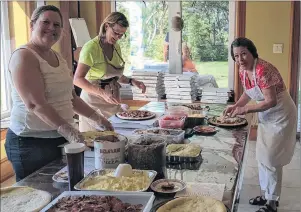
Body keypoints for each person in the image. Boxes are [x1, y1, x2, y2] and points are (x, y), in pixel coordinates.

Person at [5, 5, 113, 182]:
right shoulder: (24, 56)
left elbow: (72, 99)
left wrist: (98, 118)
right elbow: (35, 104)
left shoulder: (58, 58)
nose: (51, 28)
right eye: (45, 22)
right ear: (32, 24)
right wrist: (69, 130)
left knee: (59, 194)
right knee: (37, 194)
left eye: (57, 25)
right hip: (30, 142)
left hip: (58, 140)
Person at [224, 37, 297, 212]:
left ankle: (272, 203)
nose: (240, 59)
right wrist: (237, 105)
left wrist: (247, 110)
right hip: (266, 115)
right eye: (236, 55)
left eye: (244, 54)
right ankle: (266, 195)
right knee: (262, 156)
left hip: (281, 115)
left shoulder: (263, 70)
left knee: (272, 159)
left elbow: (271, 101)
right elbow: (248, 93)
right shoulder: (243, 70)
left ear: (252, 53)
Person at [73, 12, 146, 132]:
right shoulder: (91, 48)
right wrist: (102, 93)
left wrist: (132, 81)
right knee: (97, 143)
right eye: (116, 33)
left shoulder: (116, 47)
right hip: (93, 103)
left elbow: (115, 75)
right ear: (106, 26)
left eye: (122, 35)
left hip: (112, 101)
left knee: (117, 137)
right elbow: (77, 79)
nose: (118, 38)